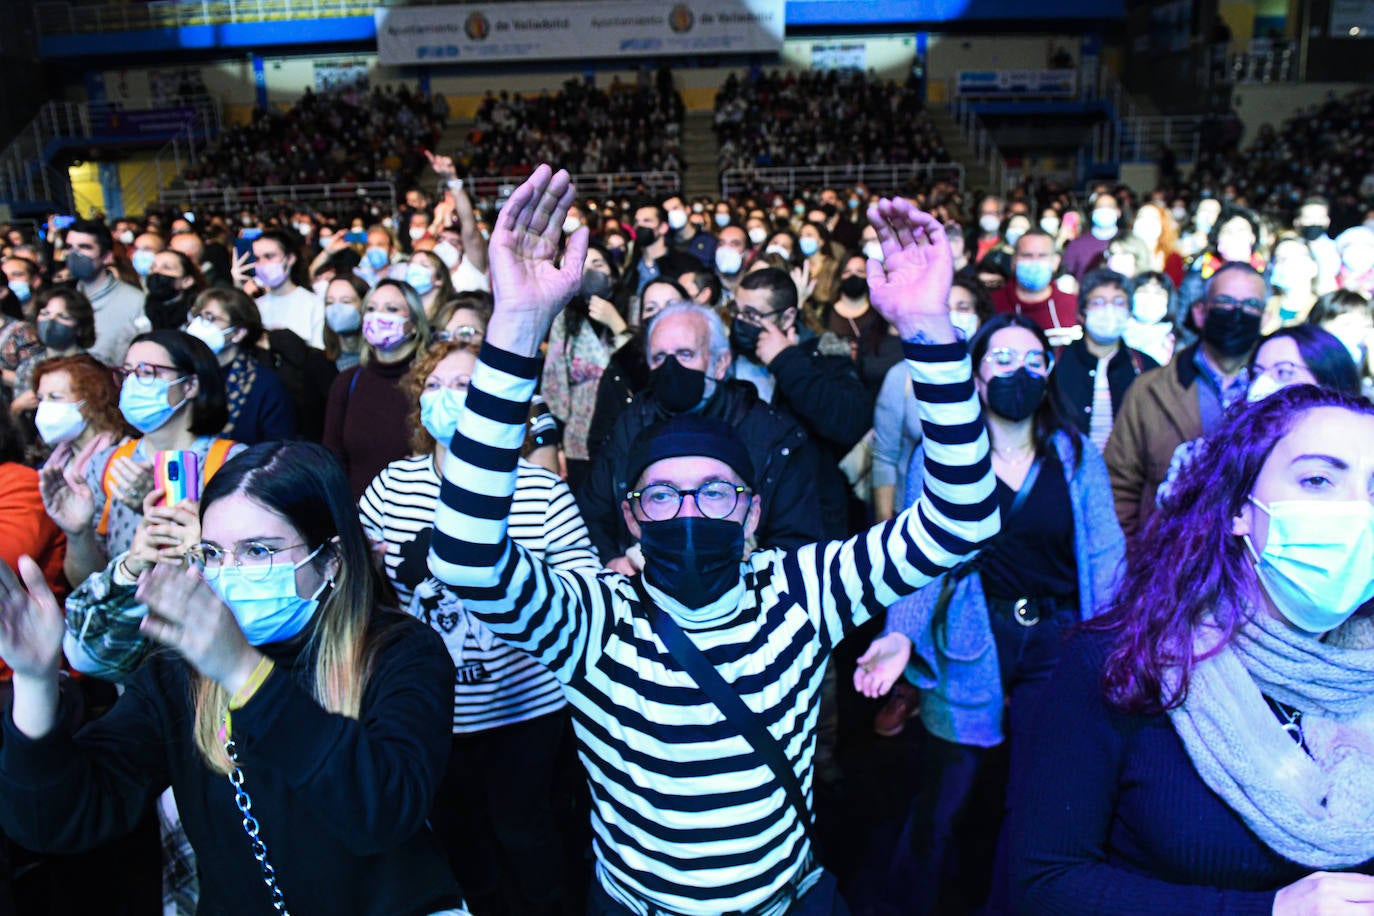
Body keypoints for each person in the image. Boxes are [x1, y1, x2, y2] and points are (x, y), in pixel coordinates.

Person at [428, 164, 999, 916]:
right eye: (662, 494)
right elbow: (467, 557)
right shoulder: (595, 617)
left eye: (716, 492)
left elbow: (961, 519)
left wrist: (929, 330)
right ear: (630, 517)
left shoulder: (803, 591)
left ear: (753, 514)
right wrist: (516, 328)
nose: (689, 510)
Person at [0, 441, 464, 914]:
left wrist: (241, 669)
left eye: (257, 550)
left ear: (332, 560)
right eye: (213, 553)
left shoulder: (402, 653)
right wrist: (35, 679)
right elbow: (56, 820)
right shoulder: (177, 674)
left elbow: (381, 814)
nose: (229, 573)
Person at [1008, 385, 1374, 912]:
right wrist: (1264, 912)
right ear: (1239, 509)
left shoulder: (1363, 676)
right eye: (1318, 480)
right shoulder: (1125, 663)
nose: (1356, 514)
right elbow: (1045, 881)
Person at [855, 313, 1125, 916]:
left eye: (1033, 362)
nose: (1018, 373)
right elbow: (920, 560)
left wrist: (1111, 647)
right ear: (976, 375)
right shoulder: (942, 456)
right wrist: (900, 635)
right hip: (970, 639)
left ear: (1049, 373)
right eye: (1002, 359)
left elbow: (1106, 558)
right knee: (947, 796)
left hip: (1057, 642)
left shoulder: (1076, 455)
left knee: (1036, 799)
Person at [359, 340, 598, 916]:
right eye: (434, 387)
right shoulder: (394, 485)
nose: (445, 398)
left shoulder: (539, 490)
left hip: (525, 710)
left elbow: (585, 593)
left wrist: (510, 575)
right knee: (459, 847)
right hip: (431, 709)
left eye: (465, 386)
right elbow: (357, 576)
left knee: (530, 842)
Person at [576, 296, 823, 571]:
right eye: (659, 357)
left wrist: (747, 571)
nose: (671, 368)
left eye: (685, 354)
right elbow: (594, 512)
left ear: (720, 363)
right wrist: (612, 559)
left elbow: (797, 542)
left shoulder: (771, 434)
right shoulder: (629, 425)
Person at [1105, 263, 1267, 538]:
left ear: (1264, 317)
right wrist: (1137, 560)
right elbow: (1119, 487)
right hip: (1166, 562)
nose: (1237, 313)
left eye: (1250, 305)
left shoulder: (1283, 389)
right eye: (1225, 302)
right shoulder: (1149, 390)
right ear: (1201, 312)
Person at [729, 266, 874, 537]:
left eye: (751, 315)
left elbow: (849, 421)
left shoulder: (825, 355)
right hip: (738, 517)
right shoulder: (723, 358)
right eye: (736, 311)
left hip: (808, 522)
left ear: (788, 317)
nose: (739, 321)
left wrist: (786, 360)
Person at [1154, 325, 1361, 508]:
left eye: (1283, 372)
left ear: (1329, 380)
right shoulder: (1203, 456)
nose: (1263, 383)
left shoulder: (1362, 457)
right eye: (1257, 372)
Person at [872, 277, 993, 523]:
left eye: (963, 308)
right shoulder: (902, 375)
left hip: (983, 513)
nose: (953, 315)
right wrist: (884, 524)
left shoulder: (991, 375)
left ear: (979, 317)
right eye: (944, 308)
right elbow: (885, 457)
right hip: (912, 514)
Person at [323, 279, 430, 499]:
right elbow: (332, 462)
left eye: (392, 309)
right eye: (371, 309)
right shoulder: (346, 383)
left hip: (414, 516)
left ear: (414, 324)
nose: (378, 315)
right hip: (358, 519)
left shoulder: (431, 383)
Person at [541, 243, 633, 490]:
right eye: (583, 267)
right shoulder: (566, 320)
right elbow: (555, 386)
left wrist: (617, 324)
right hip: (580, 442)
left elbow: (639, 372)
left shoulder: (633, 311)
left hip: (628, 435)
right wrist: (556, 444)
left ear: (612, 275)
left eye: (598, 264)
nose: (590, 273)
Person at [1050, 269, 1159, 451]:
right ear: (1082, 314)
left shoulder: (1146, 367)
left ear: (1129, 312)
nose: (1109, 310)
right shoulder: (1056, 360)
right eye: (1098, 303)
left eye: (1118, 302)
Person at [187, 288, 298, 444]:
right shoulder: (184, 374)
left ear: (239, 333)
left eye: (211, 319)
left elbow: (279, 450)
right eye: (198, 316)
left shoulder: (264, 385)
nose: (199, 324)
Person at [63, 219, 144, 366]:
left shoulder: (134, 301)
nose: (74, 254)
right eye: (69, 247)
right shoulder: (63, 299)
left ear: (106, 257)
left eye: (84, 247)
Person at [10, 287, 96, 416]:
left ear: (80, 327)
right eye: (45, 314)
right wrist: (16, 407)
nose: (50, 322)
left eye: (62, 316)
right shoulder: (27, 368)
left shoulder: (91, 369)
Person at [990, 229, 1080, 347]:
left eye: (1042, 256)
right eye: (1027, 255)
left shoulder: (1074, 304)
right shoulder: (992, 303)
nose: (1034, 262)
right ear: (1013, 261)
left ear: (1055, 262)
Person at [248, 229, 325, 349]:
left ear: (290, 259)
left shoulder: (313, 304)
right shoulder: (254, 307)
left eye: (269, 256)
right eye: (257, 258)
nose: (262, 264)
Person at [1262, 234, 1322, 332]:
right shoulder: (1264, 307)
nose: (1286, 264)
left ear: (1313, 267)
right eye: (1279, 259)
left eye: (1294, 257)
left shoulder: (1322, 310)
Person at [1122, 270, 1182, 367]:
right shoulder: (1115, 332)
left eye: (1158, 293)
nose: (1150, 298)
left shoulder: (1177, 341)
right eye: (1144, 291)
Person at [1061, 192, 1123, 281]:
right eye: (1100, 207)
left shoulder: (1128, 241)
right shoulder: (1077, 244)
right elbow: (1067, 274)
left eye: (1109, 206)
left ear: (1118, 212)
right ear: (1092, 213)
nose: (1104, 210)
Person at [143, 250, 207, 332]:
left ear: (187, 281)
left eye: (167, 268)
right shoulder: (144, 306)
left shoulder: (196, 314)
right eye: (152, 267)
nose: (156, 271)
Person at [322, 274, 369, 372]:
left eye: (346, 301)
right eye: (330, 302)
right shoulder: (317, 363)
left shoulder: (381, 362)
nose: (336, 309)